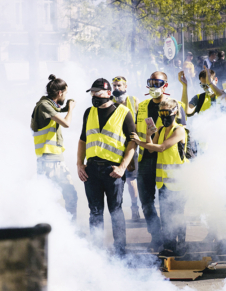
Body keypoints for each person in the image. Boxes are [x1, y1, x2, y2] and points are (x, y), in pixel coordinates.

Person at [77, 78, 137, 255]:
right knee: (95, 212)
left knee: (115, 212)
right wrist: (79, 164)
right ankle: (97, 252)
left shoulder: (124, 112)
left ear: (109, 93)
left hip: (113, 171)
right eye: (93, 93)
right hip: (92, 170)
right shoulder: (89, 112)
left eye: (98, 93)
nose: (95, 96)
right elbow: (82, 140)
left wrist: (122, 167)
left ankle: (120, 252)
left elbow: (133, 143)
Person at [135, 72, 187, 251]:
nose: (153, 86)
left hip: (168, 164)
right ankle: (158, 236)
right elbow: (147, 139)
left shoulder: (176, 107)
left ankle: (177, 242)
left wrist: (143, 142)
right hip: (146, 159)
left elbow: (177, 138)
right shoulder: (142, 106)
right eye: (150, 82)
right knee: (147, 202)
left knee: (173, 208)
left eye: (157, 83)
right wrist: (145, 141)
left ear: (165, 85)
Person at [31, 75, 78, 220]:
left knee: (49, 197)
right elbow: (66, 123)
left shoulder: (46, 105)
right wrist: (70, 109)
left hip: (49, 159)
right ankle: (70, 228)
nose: (66, 96)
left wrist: (64, 108)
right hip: (51, 160)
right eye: (66, 93)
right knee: (69, 195)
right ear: (60, 93)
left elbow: (56, 111)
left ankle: (58, 228)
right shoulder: (44, 106)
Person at [112, 76, 143, 221]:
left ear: (125, 86)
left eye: (119, 85)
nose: (116, 88)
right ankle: (116, 211)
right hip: (115, 146)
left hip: (131, 144)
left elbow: (141, 119)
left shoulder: (133, 100)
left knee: (131, 179)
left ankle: (134, 208)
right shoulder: (110, 102)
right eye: (114, 86)